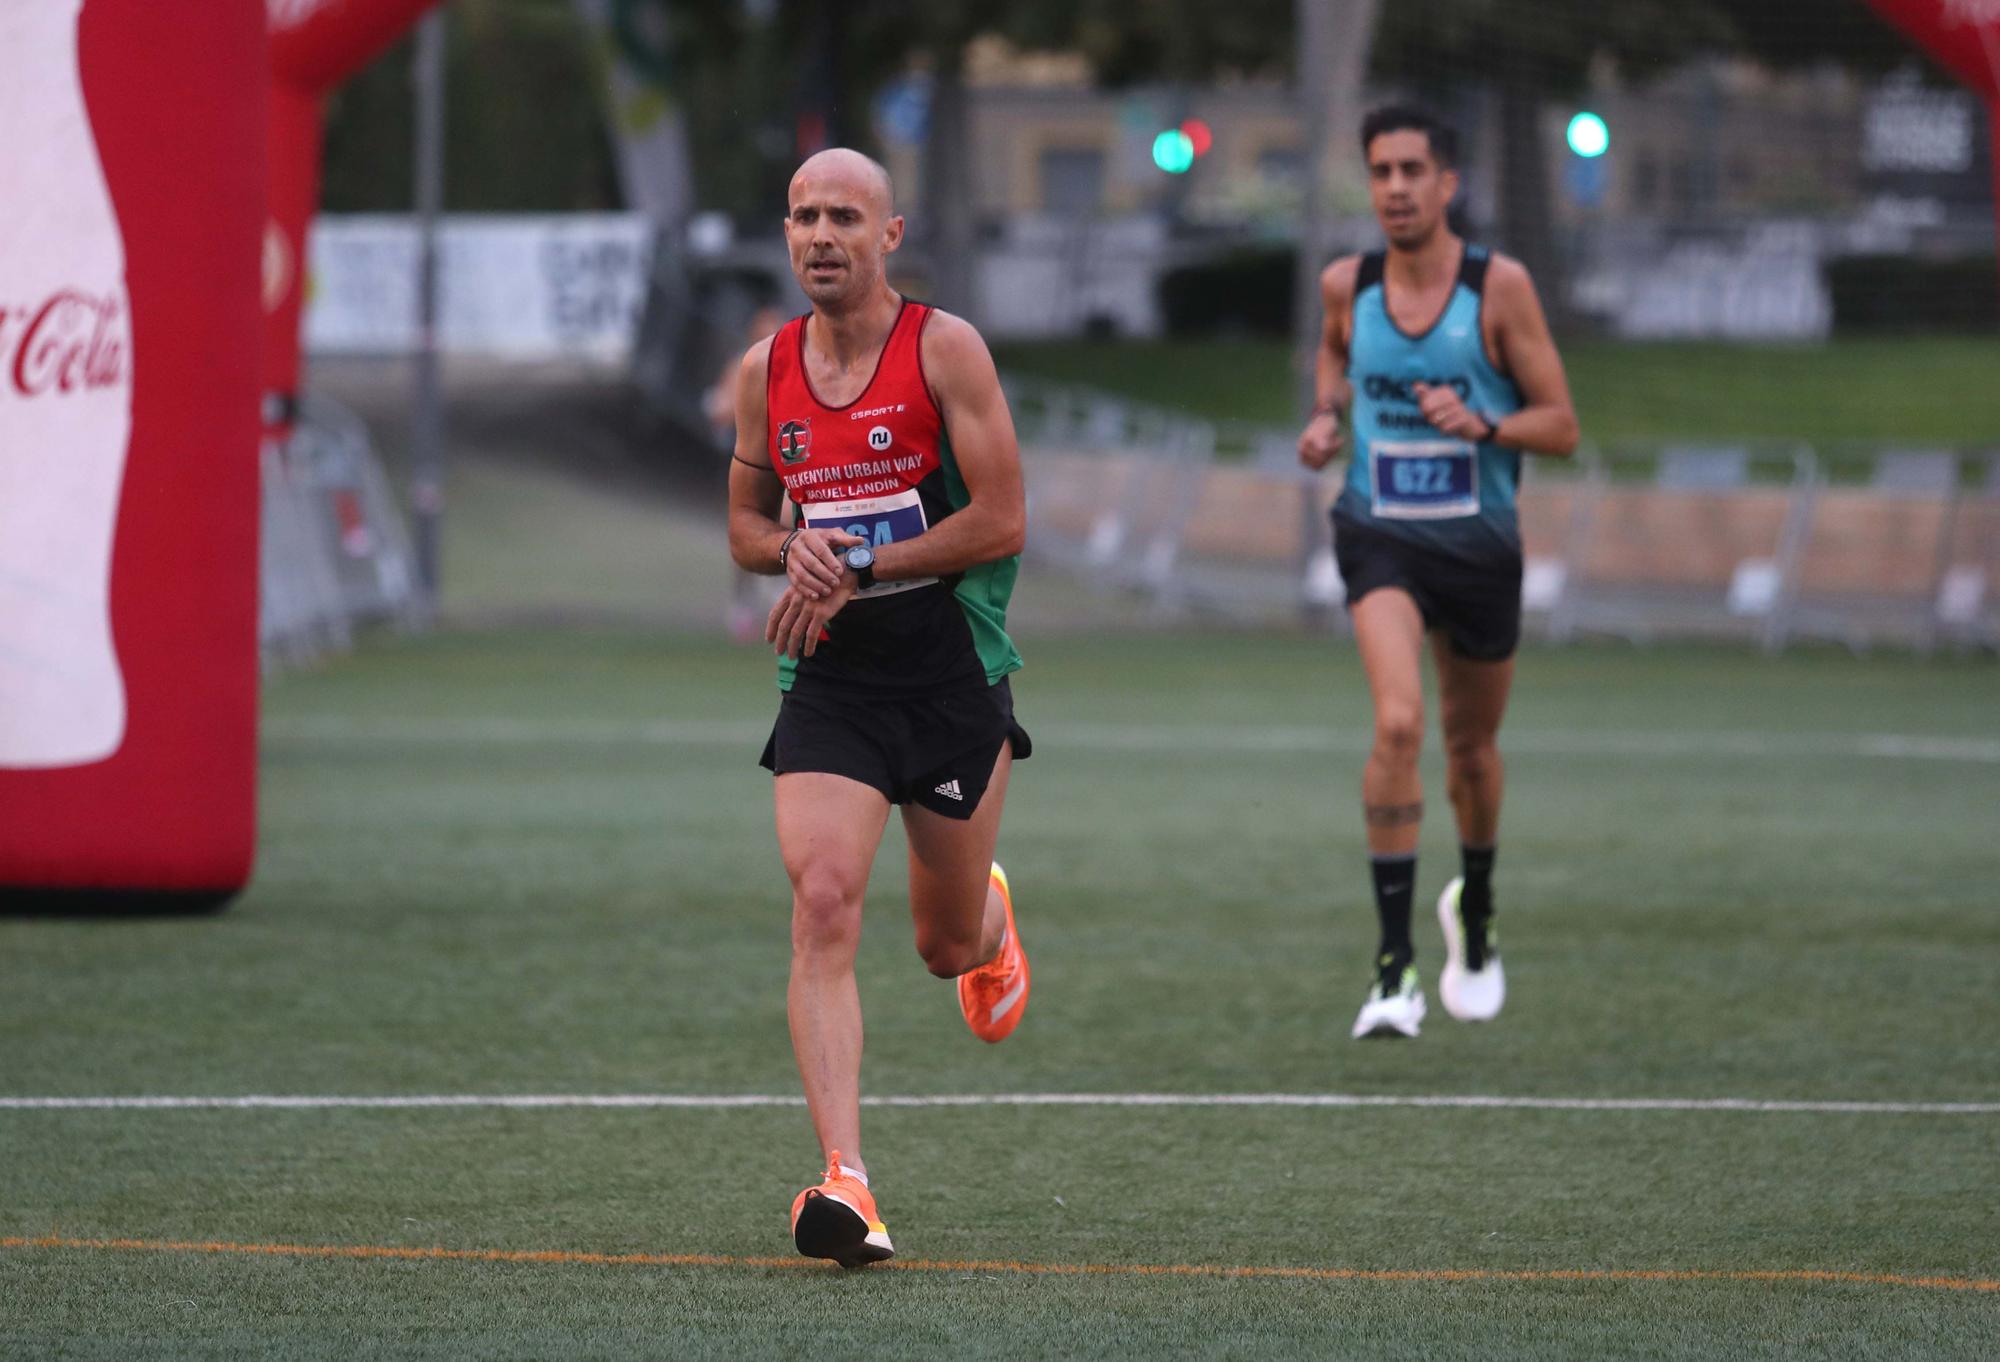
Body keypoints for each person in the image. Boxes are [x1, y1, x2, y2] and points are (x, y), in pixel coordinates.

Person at [725, 148, 1033, 1266]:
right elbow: (747, 524)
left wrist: (862, 557)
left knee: (941, 947)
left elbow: (1001, 521)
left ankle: (990, 922)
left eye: (843, 217)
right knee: (821, 899)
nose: (818, 235)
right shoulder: (767, 370)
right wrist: (789, 550)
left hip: (949, 669)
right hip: (833, 679)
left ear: (889, 234)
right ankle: (846, 1182)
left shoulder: (943, 350)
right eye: (802, 214)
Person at [1297, 105, 1579, 1040]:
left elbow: (1563, 425)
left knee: (1469, 752)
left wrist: (1484, 426)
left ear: (1448, 184)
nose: (1396, 188)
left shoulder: (1499, 291)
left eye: (1413, 169)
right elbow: (1334, 351)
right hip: (1380, 535)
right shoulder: (1349, 285)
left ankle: (1479, 908)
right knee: (1398, 719)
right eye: (1380, 171)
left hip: (1482, 548)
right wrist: (1328, 417)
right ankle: (1392, 970)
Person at [707, 303, 787, 641]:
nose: (769, 334)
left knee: (786, 524)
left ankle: (784, 594)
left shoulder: (797, 362)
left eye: (776, 327)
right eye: (764, 327)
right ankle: (743, 605)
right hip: (750, 466)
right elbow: (720, 410)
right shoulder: (744, 364)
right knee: (746, 532)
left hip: (787, 466)